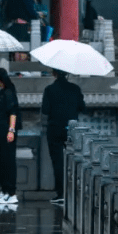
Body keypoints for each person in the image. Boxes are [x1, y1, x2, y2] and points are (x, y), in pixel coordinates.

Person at [40, 69, 86, 206]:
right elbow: (82, 107)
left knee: (58, 162)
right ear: (67, 73)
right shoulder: (75, 88)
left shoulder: (49, 89)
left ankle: (61, 193)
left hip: (54, 128)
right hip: (72, 129)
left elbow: (45, 110)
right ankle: (74, 192)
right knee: (73, 161)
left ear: (54, 73)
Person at [0, 68, 21, 206]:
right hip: (1, 131)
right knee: (1, 162)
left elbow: (13, 112)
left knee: (9, 162)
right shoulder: (2, 93)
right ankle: (4, 191)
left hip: (8, 132)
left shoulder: (9, 93)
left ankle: (11, 193)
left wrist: (11, 130)